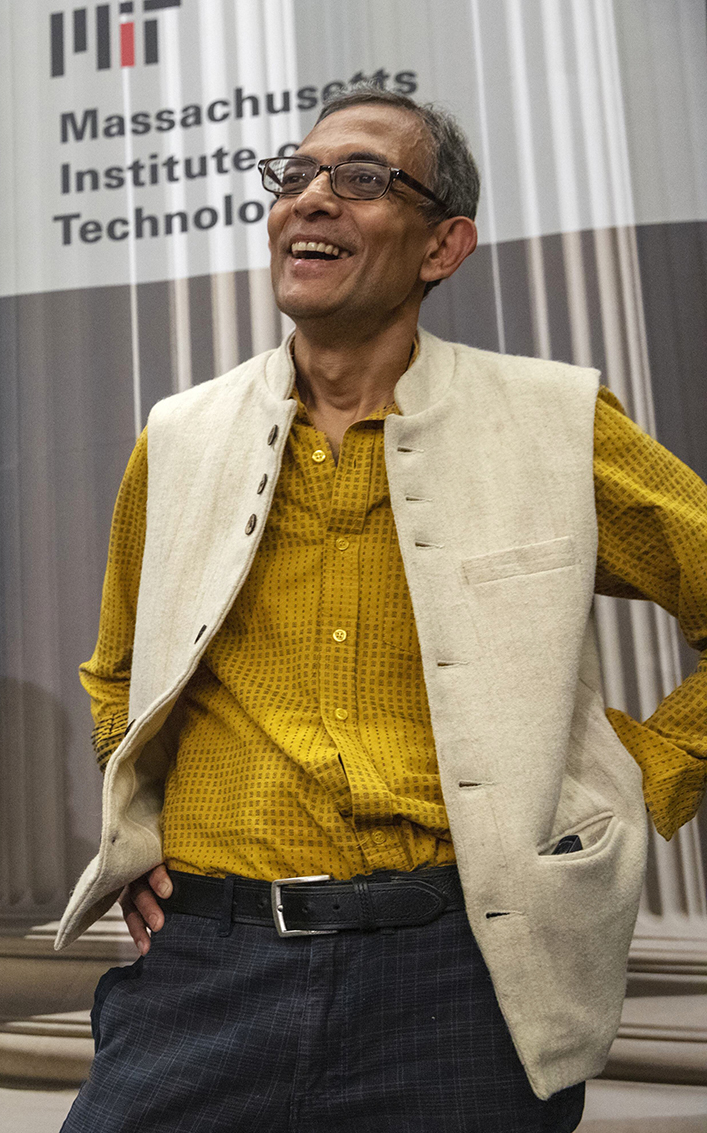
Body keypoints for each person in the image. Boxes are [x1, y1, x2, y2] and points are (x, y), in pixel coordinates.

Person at [61, 88, 706, 1131]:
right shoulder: (177, 437)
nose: (311, 199)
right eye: (294, 175)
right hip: (205, 967)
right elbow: (116, 669)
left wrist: (634, 779)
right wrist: (141, 831)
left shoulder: (550, 423)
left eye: (361, 179)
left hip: (456, 975)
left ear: (441, 245)